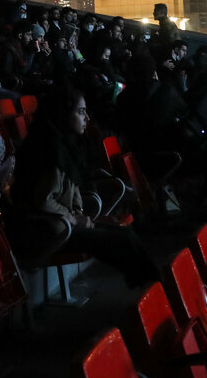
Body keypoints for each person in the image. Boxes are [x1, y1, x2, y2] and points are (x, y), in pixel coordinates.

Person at [10, 88, 157, 286]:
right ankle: (155, 292)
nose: (86, 118)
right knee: (123, 242)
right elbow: (44, 200)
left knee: (126, 234)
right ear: (62, 114)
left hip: (63, 222)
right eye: (80, 112)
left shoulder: (62, 144)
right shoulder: (47, 150)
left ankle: (155, 288)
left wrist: (78, 211)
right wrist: (74, 218)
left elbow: (72, 186)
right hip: (45, 230)